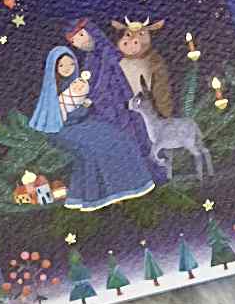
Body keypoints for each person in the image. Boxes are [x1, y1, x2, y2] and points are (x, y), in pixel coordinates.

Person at [28, 44, 155, 210]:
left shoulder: (79, 84)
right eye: (62, 65)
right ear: (54, 68)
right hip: (62, 128)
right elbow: (51, 117)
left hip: (86, 121)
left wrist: (86, 103)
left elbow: (88, 105)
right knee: (93, 148)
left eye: (71, 64)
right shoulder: (52, 90)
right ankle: (98, 194)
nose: (67, 68)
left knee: (120, 138)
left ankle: (130, 186)